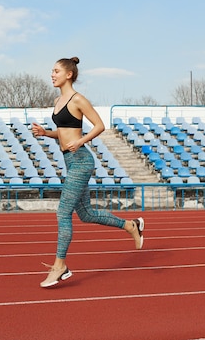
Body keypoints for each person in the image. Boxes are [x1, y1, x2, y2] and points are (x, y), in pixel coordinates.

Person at [31, 56, 144, 288]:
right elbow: (63, 132)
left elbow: (99, 125)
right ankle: (131, 225)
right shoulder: (58, 100)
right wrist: (45, 133)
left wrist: (80, 141)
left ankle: (60, 266)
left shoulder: (78, 99)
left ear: (68, 74)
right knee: (86, 214)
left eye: (55, 71)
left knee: (63, 213)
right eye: (51, 71)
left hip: (81, 160)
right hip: (70, 161)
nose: (51, 75)